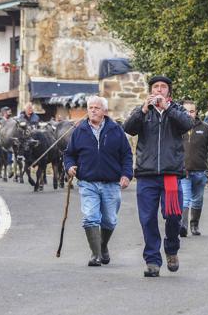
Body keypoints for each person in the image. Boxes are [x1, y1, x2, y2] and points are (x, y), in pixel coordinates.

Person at [123, 75, 193, 277]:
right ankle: (152, 260)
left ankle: (171, 249)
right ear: (151, 91)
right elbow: (128, 128)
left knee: (173, 216)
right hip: (147, 173)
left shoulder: (176, 110)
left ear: (168, 92)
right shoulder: (143, 112)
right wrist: (143, 110)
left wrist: (167, 108)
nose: (159, 90)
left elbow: (187, 124)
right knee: (147, 219)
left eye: (163, 87)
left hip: (171, 173)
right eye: (156, 87)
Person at [64, 96, 133, 267]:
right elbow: (69, 153)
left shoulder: (116, 130)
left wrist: (126, 174)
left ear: (104, 111)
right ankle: (95, 255)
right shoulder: (80, 131)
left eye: (96, 107)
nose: (93, 110)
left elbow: (126, 155)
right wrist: (70, 166)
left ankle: (102, 246)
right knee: (90, 217)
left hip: (111, 183)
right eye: (90, 107)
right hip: (88, 182)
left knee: (109, 220)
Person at [180, 100, 208, 237]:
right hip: (183, 172)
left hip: (200, 171)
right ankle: (183, 226)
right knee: (185, 198)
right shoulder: (175, 127)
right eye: (185, 111)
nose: (188, 114)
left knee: (197, 200)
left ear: (196, 112)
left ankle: (194, 225)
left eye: (192, 111)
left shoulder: (205, 128)